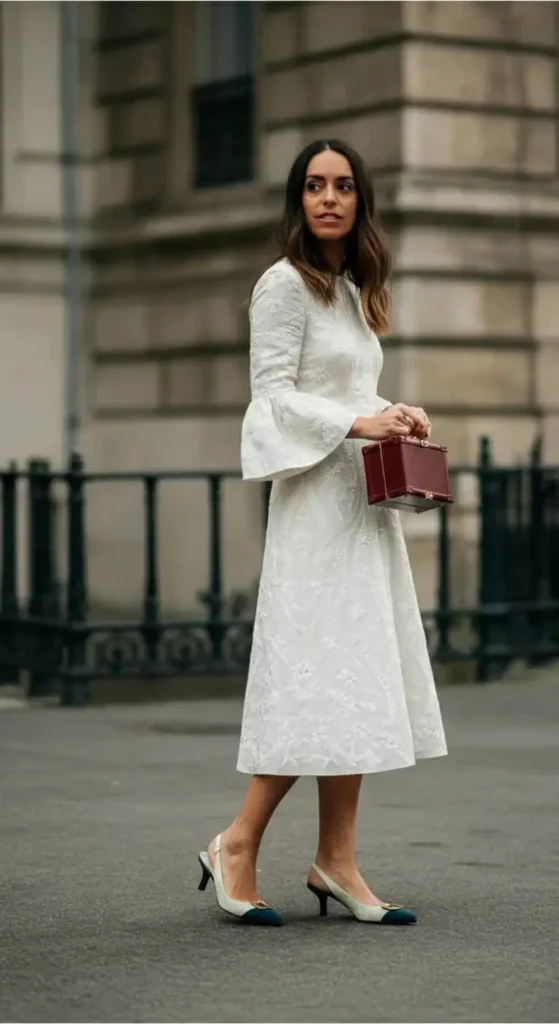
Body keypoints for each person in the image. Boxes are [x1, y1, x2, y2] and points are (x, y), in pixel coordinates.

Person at [198, 139, 447, 927]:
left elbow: (352, 391)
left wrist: (393, 411)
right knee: (309, 676)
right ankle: (235, 842)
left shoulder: (354, 289)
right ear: (297, 200)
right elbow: (268, 400)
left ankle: (335, 861)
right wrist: (356, 419)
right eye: (313, 185)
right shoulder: (282, 285)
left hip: (360, 507)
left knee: (356, 678)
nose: (328, 198)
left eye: (342, 185)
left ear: (359, 199)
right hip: (313, 506)